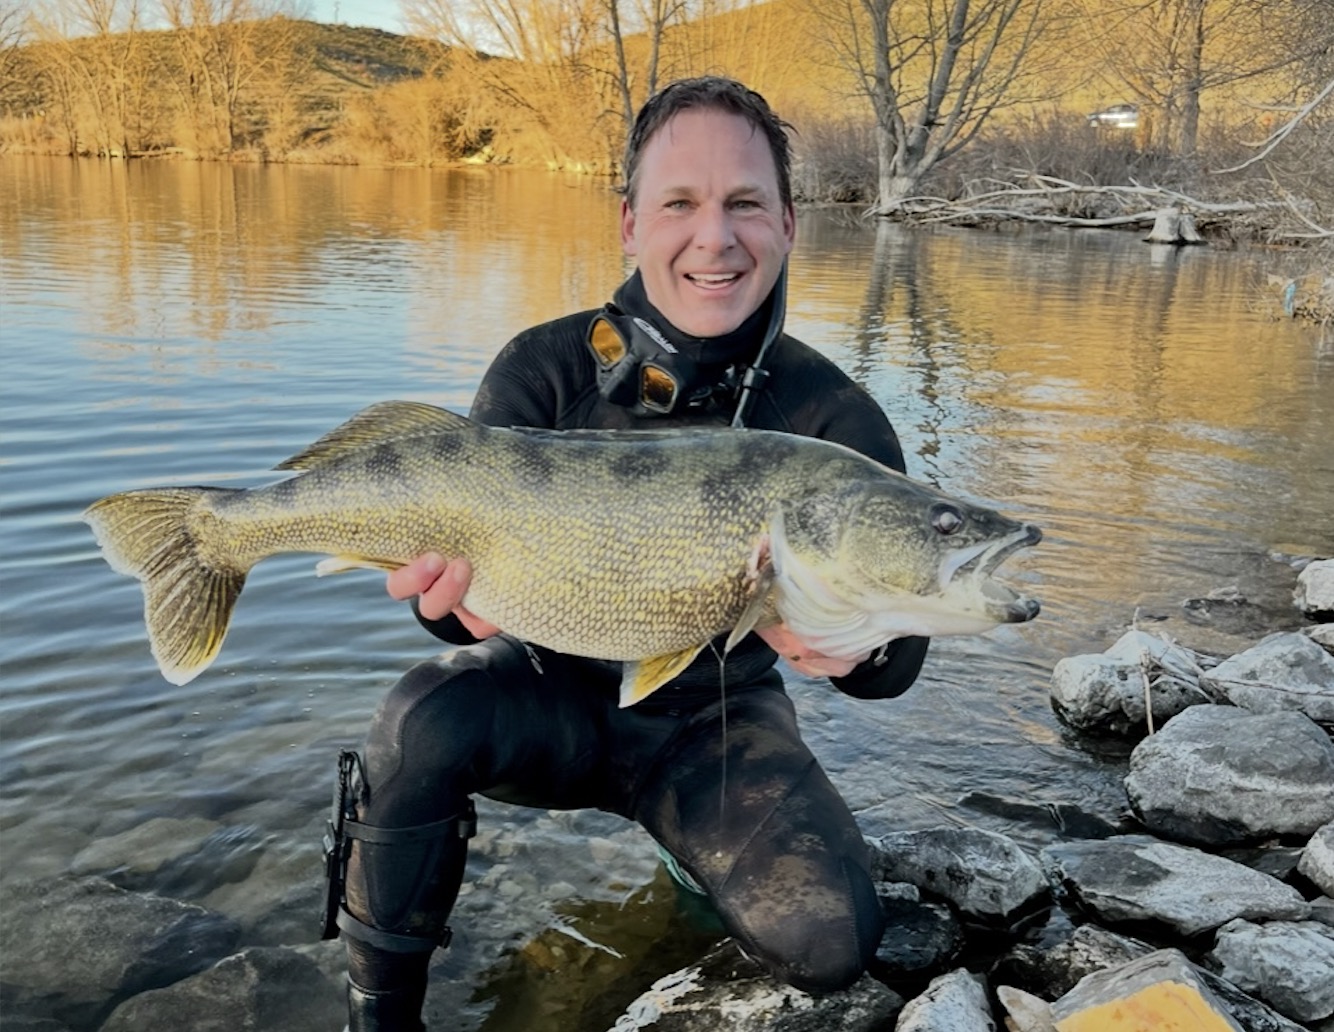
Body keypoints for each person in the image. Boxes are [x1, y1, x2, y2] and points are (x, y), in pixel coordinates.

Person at [323, 76, 930, 1032]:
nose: (714, 238)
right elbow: (449, 596)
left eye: (745, 204)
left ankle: (690, 857)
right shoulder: (543, 370)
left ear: (789, 223)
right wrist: (443, 602)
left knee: (830, 942)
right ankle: (378, 1013)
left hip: (714, 718)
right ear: (629, 222)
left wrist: (862, 649)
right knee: (418, 720)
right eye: (680, 204)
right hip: (544, 690)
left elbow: (896, 669)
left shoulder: (834, 424)